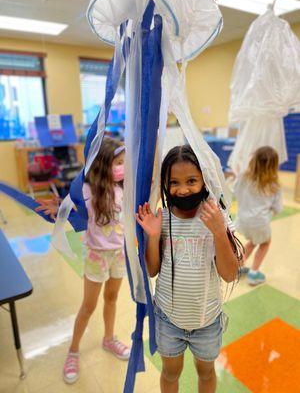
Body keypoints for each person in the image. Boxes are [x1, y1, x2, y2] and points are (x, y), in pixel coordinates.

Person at [136, 145, 239, 393]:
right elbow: (152, 270)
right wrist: (152, 236)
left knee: (206, 372)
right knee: (170, 373)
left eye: (191, 180)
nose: (182, 190)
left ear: (205, 179)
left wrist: (217, 232)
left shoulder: (216, 215)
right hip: (168, 319)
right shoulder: (163, 218)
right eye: (174, 182)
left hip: (207, 320)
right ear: (164, 183)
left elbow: (230, 274)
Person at [37, 137, 130, 384]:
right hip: (96, 256)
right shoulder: (88, 190)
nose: (123, 167)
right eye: (118, 163)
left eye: (124, 162)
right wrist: (58, 209)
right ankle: (73, 351)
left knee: (112, 298)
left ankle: (109, 339)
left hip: (119, 255)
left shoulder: (123, 189)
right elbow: (69, 211)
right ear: (103, 165)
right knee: (88, 307)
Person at [233, 146, 283, 286]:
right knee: (265, 243)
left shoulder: (243, 177)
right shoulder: (274, 185)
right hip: (259, 223)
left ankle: (239, 267)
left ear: (253, 161)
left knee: (253, 242)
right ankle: (254, 273)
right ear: (274, 166)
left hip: (242, 221)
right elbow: (278, 208)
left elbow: (235, 191)